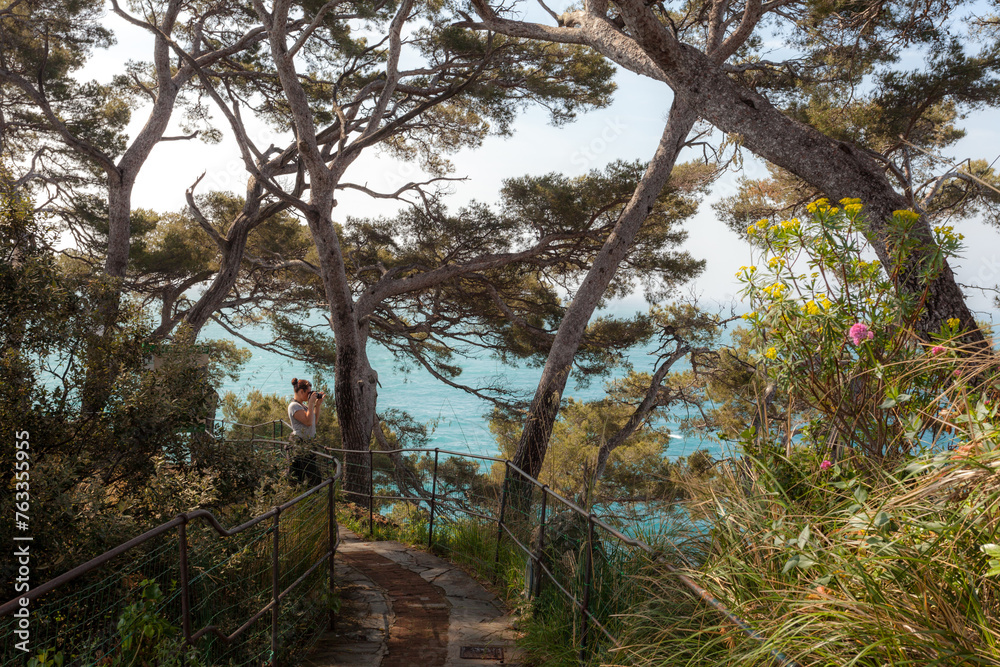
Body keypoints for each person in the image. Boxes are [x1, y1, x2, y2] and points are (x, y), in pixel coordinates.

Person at [287, 377, 325, 485]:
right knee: (309, 476)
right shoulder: (294, 406)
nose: (310, 395)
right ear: (301, 392)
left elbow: (314, 422)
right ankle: (307, 494)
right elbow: (308, 422)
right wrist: (311, 403)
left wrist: (317, 405)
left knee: (307, 476)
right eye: (308, 392)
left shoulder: (302, 406)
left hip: (308, 444)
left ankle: (305, 493)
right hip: (300, 444)